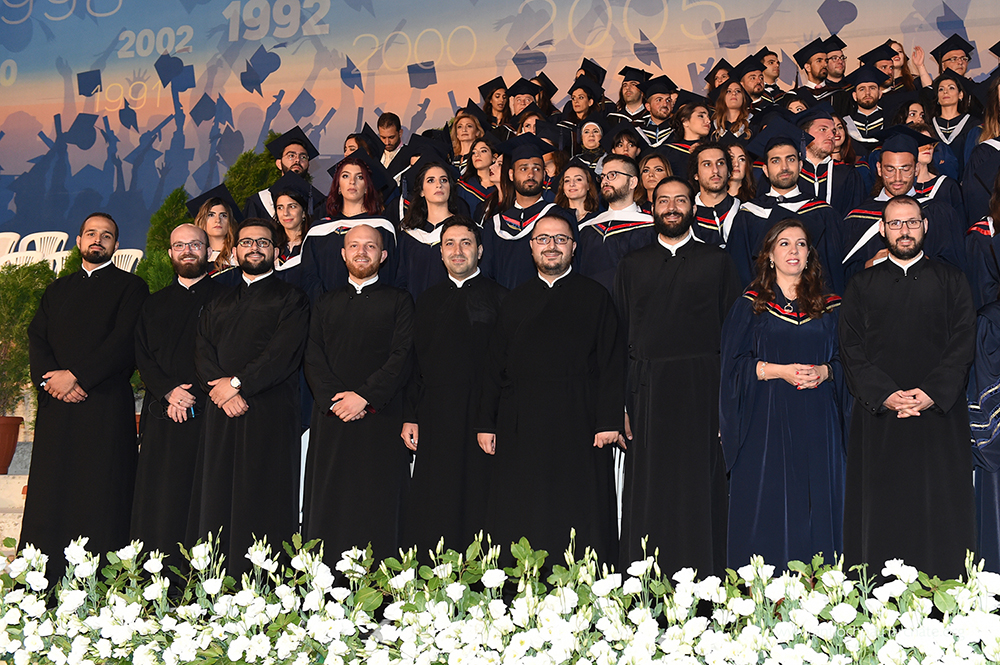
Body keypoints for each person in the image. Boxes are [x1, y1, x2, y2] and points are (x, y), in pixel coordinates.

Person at [839, 194, 976, 581]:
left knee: (941, 511)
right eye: (896, 223)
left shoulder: (952, 280)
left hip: (938, 417)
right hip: (880, 418)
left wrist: (931, 392)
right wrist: (885, 394)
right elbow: (850, 348)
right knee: (883, 510)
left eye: (912, 222)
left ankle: (946, 594)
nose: (905, 231)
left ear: (925, 226)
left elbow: (963, 343)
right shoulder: (861, 284)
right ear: (882, 230)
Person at [477, 214, 624, 569]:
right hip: (521, 423)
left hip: (580, 420)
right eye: (543, 239)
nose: (551, 246)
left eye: (560, 239)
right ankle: (522, 582)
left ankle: (583, 583)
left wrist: (608, 420)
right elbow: (494, 366)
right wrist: (486, 422)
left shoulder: (596, 296)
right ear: (531, 248)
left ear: (573, 247)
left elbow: (612, 362)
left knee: (579, 508)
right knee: (523, 507)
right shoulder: (514, 299)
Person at [614, 176, 741, 577]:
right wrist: (620, 404)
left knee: (700, 486)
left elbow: (735, 337)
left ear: (693, 207)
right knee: (651, 487)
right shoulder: (632, 264)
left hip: (703, 388)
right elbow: (619, 335)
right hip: (646, 391)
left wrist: (727, 403)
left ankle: (706, 578)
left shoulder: (717, 261)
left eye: (680, 200)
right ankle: (645, 580)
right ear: (652, 208)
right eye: (664, 200)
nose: (672, 207)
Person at [22, 212, 149, 582]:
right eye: (91, 233)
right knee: (52, 492)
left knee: (102, 494)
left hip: (105, 405)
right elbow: (37, 338)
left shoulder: (132, 288)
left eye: (106, 235)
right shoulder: (56, 290)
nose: (98, 240)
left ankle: (103, 585)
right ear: (78, 242)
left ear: (116, 245)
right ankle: (43, 580)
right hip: (58, 409)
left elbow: (124, 341)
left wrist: (76, 376)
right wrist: (50, 380)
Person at [720, 218, 847, 570]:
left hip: (819, 418)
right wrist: (779, 370)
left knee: (817, 501)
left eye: (801, 244)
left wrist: (825, 371)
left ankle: (823, 588)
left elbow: (849, 361)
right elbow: (732, 366)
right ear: (770, 255)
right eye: (785, 243)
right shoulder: (751, 305)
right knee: (770, 502)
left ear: (810, 255)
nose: (794, 250)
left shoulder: (831, 306)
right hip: (766, 419)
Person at [190, 217, 310, 577]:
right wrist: (222, 390)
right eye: (246, 242)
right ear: (235, 250)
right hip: (221, 411)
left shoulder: (292, 298)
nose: (254, 248)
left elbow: (282, 353)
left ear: (276, 251)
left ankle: (266, 583)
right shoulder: (218, 300)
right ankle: (214, 579)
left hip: (269, 411)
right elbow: (201, 350)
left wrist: (237, 384)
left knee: (263, 494)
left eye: (262, 242)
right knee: (218, 492)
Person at [303, 224, 414, 567]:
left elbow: (402, 356)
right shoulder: (325, 302)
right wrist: (336, 401)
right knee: (330, 500)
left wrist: (364, 397)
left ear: (383, 255)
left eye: (370, 246)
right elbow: (312, 356)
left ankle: (382, 585)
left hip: (381, 418)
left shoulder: (400, 301)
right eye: (354, 246)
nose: (361, 252)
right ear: (343, 254)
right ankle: (325, 580)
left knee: (378, 502)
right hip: (332, 418)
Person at [401, 217, 507, 558]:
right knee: (436, 499)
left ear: (480, 251)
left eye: (466, 243)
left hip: (483, 418)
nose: (457, 250)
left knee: (482, 498)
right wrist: (410, 416)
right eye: (449, 243)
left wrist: (494, 420)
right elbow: (414, 365)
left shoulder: (501, 298)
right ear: (440, 252)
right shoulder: (426, 300)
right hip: (435, 417)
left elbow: (507, 368)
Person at [131, 224, 226, 572]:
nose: (188, 251)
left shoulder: (226, 299)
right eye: (180, 245)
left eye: (195, 245)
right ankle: (156, 575)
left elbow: (228, 355)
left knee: (205, 496)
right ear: (170, 253)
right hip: (163, 413)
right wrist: (170, 391)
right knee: (161, 497)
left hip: (210, 413)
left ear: (209, 253)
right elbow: (142, 355)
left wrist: (194, 395)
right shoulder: (153, 304)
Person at [727, 119, 845, 293]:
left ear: (800, 165)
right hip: (761, 304)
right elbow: (738, 273)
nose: (784, 167)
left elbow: (832, 272)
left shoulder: (822, 213)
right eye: (775, 161)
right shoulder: (748, 214)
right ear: (765, 170)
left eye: (790, 159)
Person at [842, 132, 967, 281]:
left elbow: (955, 270)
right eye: (890, 169)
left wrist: (920, 262)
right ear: (879, 169)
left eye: (905, 169)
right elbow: (845, 274)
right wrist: (869, 265)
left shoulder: (937, 212)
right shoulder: (857, 218)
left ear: (916, 169)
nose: (897, 178)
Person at [481, 134, 574, 290]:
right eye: (523, 168)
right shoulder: (495, 225)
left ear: (544, 174)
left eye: (536, 168)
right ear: (511, 175)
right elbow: (486, 275)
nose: (531, 174)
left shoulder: (560, 218)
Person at [299, 155, 398, 300]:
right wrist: (326, 305)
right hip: (327, 307)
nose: (352, 181)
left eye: (360, 177)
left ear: (367, 188)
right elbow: (309, 276)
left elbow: (389, 274)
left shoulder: (381, 227)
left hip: (372, 306)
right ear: (338, 187)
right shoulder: (319, 230)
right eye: (345, 176)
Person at [577, 154, 655, 292]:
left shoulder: (650, 227)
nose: (605, 181)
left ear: (632, 182)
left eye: (612, 175)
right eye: (603, 176)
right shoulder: (588, 228)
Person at [397, 160, 468, 298]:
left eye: (444, 180)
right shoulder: (409, 235)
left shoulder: (465, 230)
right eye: (431, 180)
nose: (439, 185)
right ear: (421, 191)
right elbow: (401, 279)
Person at [244, 127, 326, 220]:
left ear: (308, 165)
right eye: (291, 156)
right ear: (279, 164)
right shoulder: (259, 202)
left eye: (303, 157)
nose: (297, 160)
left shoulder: (318, 203)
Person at [796, 105, 864, 215]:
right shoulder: (791, 173)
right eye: (823, 129)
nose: (832, 135)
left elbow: (853, 219)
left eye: (833, 131)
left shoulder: (848, 175)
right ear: (805, 134)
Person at [930, 70, 980, 180]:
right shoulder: (929, 126)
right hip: (935, 185)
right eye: (941, 89)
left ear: (960, 95)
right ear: (937, 97)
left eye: (951, 88)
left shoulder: (973, 125)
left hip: (966, 183)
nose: (945, 92)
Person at [690, 142, 739, 247]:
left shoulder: (745, 211)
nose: (715, 170)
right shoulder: (686, 215)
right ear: (696, 174)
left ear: (729, 171)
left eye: (720, 163)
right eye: (707, 164)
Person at [189, 186, 240, 273]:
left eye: (223, 215)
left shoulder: (239, 257)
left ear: (230, 221)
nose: (218, 220)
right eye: (211, 215)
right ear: (201, 220)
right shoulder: (195, 258)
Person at [662, 98, 713, 176]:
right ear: (685, 121)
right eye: (701, 116)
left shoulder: (713, 149)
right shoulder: (667, 151)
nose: (708, 121)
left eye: (708, 117)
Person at [457, 137, 497, 216]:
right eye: (474, 152)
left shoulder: (502, 186)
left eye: (483, 151)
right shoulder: (462, 188)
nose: (477, 155)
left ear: (494, 157)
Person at [638, 76, 678, 148]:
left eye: (668, 100)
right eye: (659, 100)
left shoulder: (679, 130)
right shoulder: (639, 131)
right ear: (648, 107)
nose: (665, 104)